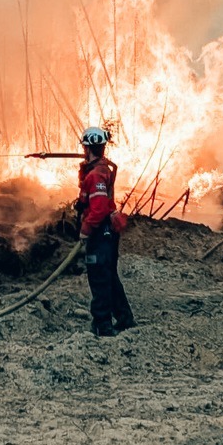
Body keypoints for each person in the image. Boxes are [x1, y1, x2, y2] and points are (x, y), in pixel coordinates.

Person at [76, 127, 135, 337]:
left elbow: (99, 208)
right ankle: (125, 318)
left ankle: (103, 325)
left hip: (100, 233)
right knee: (109, 277)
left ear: (88, 147)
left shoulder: (96, 175)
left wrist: (85, 229)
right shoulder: (101, 170)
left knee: (99, 278)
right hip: (108, 233)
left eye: (84, 147)